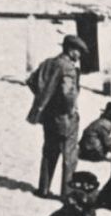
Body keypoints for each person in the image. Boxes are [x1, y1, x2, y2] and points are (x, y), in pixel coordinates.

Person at [25, 34, 86, 198]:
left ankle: (43, 189)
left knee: (49, 152)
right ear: (71, 50)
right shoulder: (68, 68)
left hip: (48, 116)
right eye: (78, 51)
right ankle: (67, 193)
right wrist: (69, 108)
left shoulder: (48, 63)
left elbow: (31, 81)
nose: (79, 55)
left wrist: (46, 100)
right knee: (69, 155)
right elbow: (67, 93)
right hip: (65, 117)